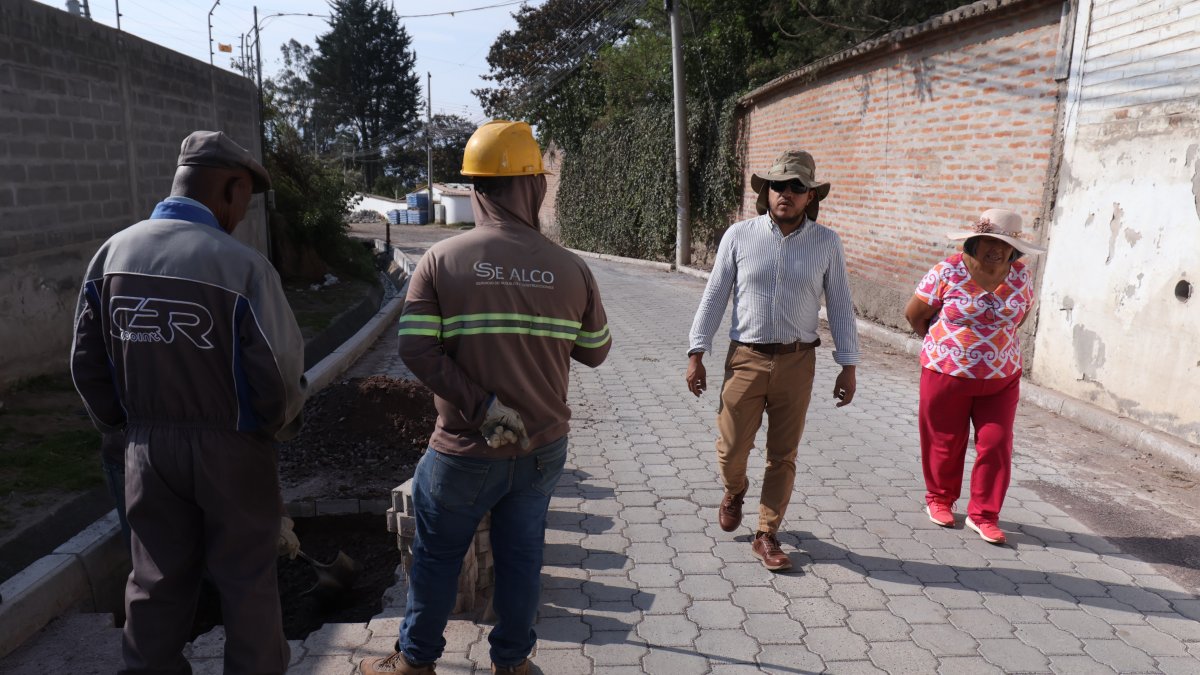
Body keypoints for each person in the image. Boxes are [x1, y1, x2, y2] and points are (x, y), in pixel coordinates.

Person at [361, 120, 611, 675]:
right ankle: (513, 664)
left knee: (436, 557)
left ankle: (415, 663)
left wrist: (483, 407)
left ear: (475, 190)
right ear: (537, 186)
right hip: (541, 449)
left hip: (464, 450)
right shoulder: (572, 268)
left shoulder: (440, 261)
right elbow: (596, 352)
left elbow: (415, 349)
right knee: (521, 558)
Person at [71, 130, 306, 674]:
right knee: (247, 582)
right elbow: (279, 376)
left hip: (145, 447)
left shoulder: (112, 255)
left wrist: (124, 427)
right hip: (232, 446)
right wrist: (270, 429)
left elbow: (86, 363)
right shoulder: (242, 267)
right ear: (231, 188)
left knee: (155, 579)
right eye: (243, 200)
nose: (241, 215)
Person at [686, 150, 860, 571]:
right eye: (778, 185)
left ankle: (767, 533)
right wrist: (697, 351)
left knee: (783, 454)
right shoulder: (739, 236)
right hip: (746, 357)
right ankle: (735, 490)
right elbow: (715, 294)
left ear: (810, 196)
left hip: (797, 362)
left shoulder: (826, 242)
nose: (787, 193)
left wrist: (848, 365)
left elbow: (840, 303)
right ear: (766, 192)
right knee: (731, 449)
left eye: (797, 187)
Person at [903, 208, 1045, 545]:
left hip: (1001, 377)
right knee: (945, 440)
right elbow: (915, 314)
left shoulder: (1021, 276)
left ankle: (984, 514)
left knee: (997, 443)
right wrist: (947, 346)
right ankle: (939, 499)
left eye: (1006, 244)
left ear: (1015, 249)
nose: (997, 249)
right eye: (990, 241)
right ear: (974, 241)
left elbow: (1020, 317)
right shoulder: (947, 271)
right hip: (946, 373)